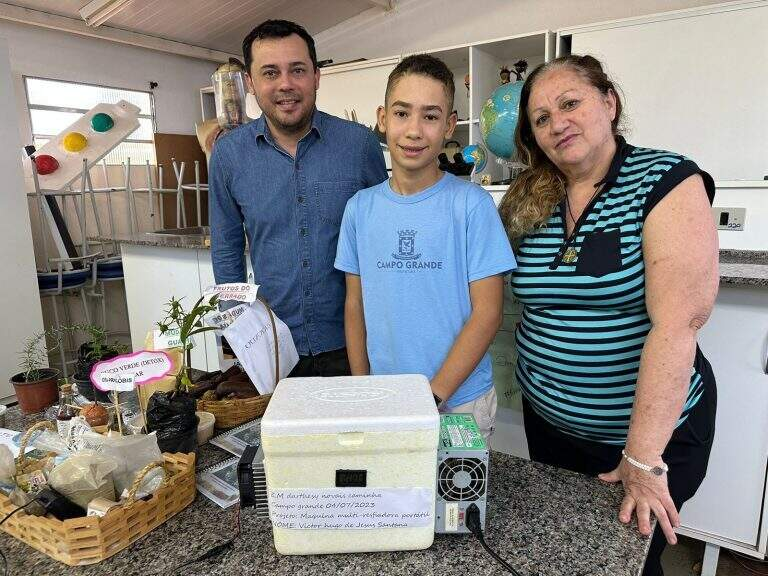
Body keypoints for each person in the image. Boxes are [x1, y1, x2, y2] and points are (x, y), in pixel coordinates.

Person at [499, 54, 718, 576]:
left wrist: (642, 460)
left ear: (609, 102)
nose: (558, 124)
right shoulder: (530, 195)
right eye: (541, 119)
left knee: (625, 562)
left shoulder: (666, 179)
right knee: (566, 553)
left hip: (643, 439)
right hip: (549, 424)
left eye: (569, 103)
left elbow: (678, 325)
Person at [334, 54, 516, 439]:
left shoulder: (471, 206)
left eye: (430, 116)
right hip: (385, 398)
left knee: (451, 500)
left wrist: (430, 397)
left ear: (449, 125)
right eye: (402, 114)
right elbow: (355, 304)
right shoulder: (359, 209)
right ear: (382, 119)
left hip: (459, 402)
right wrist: (361, 386)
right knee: (390, 496)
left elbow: (488, 313)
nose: (414, 130)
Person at [209, 20, 388, 377]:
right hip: (274, 347)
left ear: (316, 76)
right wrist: (239, 332)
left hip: (354, 343)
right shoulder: (228, 155)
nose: (285, 84)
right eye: (270, 72)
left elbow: (382, 237)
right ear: (250, 82)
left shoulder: (358, 145)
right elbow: (226, 249)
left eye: (298, 70)